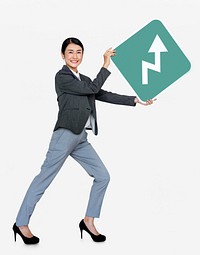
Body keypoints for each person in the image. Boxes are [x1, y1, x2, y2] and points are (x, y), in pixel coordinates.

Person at [13, 37, 155, 244]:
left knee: (102, 176)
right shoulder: (61, 77)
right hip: (64, 135)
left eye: (78, 52)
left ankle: (88, 221)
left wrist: (136, 99)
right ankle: (21, 223)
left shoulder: (85, 79)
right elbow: (91, 89)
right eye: (70, 52)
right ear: (63, 55)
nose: (75, 56)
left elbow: (102, 93)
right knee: (44, 179)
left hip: (81, 137)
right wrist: (105, 65)